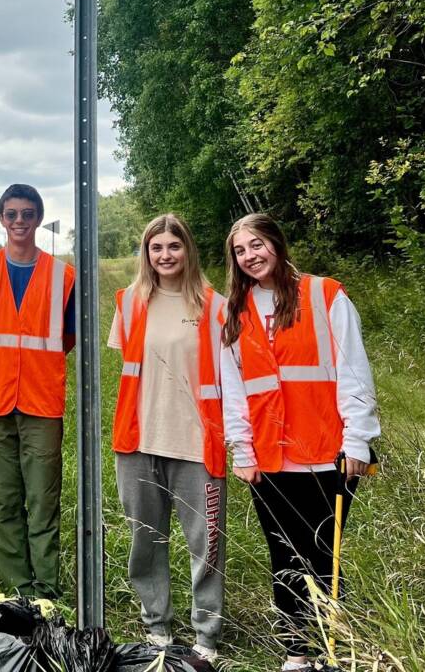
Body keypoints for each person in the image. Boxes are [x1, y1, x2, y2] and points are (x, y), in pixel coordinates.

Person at [220, 213, 380, 672]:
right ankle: (297, 651)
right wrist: (242, 448)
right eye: (240, 250)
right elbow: (234, 387)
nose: (250, 256)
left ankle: (334, 646)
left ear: (276, 242)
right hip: (268, 457)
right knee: (283, 554)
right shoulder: (237, 310)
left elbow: (354, 372)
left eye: (257, 245)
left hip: (328, 452)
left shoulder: (325, 294)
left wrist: (358, 441)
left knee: (323, 554)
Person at [109, 214, 226, 662]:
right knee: (146, 538)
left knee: (207, 543)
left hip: (197, 445)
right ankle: (156, 625)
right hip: (139, 441)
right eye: (156, 248)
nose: (165, 256)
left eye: (173, 247)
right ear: (147, 254)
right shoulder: (130, 302)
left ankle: (206, 635)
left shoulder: (215, 306)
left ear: (187, 250)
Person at [0, 184, 76, 600]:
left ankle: (45, 589)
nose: (20, 222)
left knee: (43, 499)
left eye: (27, 214)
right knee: (4, 500)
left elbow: (67, 337)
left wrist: (33, 367)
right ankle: (17, 588)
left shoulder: (65, 277)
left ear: (39, 218)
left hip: (42, 401)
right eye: (12, 214)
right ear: (1, 219)